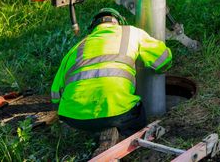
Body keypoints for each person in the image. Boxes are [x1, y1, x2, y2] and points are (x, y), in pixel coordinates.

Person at [51, 8, 172, 154]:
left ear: (93, 29)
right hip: (118, 114)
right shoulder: (131, 32)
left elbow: (55, 96)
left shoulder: (75, 49)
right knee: (137, 115)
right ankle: (128, 142)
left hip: (74, 119)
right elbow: (163, 60)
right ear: (119, 23)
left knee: (93, 120)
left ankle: (97, 131)